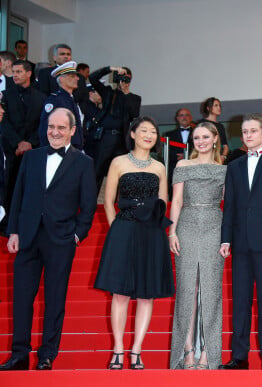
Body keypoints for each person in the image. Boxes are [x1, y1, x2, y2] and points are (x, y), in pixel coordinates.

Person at [0, 108, 97, 371]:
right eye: (51, 126)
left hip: (61, 239)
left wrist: (77, 234)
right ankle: (19, 354)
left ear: (72, 131)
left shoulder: (83, 162)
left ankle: (47, 355)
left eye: (61, 128)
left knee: (55, 299)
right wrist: (14, 231)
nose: (55, 132)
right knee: (22, 298)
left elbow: (88, 206)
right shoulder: (30, 158)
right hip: (28, 237)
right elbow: (17, 196)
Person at [94, 116, 174, 370]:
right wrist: (116, 228)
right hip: (124, 229)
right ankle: (118, 348)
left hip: (151, 233)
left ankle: (136, 350)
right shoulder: (118, 162)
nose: (149, 135)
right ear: (133, 134)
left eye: (153, 131)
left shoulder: (160, 167)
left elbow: (162, 204)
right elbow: (108, 201)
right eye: (144, 131)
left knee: (146, 295)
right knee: (120, 293)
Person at [219, 113, 262, 370]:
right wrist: (226, 239)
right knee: (240, 302)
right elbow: (229, 207)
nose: (248, 135)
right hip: (239, 243)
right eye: (245, 131)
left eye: (253, 131)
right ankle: (239, 357)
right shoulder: (234, 166)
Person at [168, 122, 227, 370]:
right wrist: (172, 230)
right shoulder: (183, 165)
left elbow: (230, 203)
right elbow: (177, 200)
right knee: (187, 290)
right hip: (187, 225)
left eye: (205, 136)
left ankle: (209, 355)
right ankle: (187, 352)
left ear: (215, 139)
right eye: (196, 137)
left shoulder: (224, 170)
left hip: (215, 225)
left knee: (211, 291)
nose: (200, 141)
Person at [0, 60, 45, 223]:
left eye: (19, 71)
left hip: (32, 151)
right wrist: (18, 143)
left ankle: (27, 221)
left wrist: (30, 143)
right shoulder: (5, 95)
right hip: (11, 151)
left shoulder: (41, 97)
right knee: (9, 187)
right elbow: (3, 122)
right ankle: (6, 223)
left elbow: (43, 123)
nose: (15, 75)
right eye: (13, 72)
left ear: (28, 73)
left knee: (31, 187)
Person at [88, 65, 141, 193]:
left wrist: (126, 92)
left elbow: (134, 113)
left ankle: (119, 207)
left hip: (122, 140)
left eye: (126, 77)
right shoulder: (108, 93)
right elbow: (92, 78)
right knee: (97, 172)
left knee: (122, 174)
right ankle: (89, 205)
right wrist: (111, 69)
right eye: (121, 75)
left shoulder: (134, 98)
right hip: (105, 137)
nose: (123, 79)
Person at [37, 61, 84, 150]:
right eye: (73, 76)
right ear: (61, 79)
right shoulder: (55, 100)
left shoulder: (71, 99)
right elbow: (45, 129)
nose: (77, 78)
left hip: (73, 151)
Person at [164, 108, 195, 197]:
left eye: (187, 115)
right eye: (181, 115)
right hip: (174, 171)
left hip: (193, 171)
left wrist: (187, 156)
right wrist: (179, 157)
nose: (184, 117)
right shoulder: (168, 135)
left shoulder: (198, 133)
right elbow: (166, 153)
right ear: (177, 118)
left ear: (191, 117)